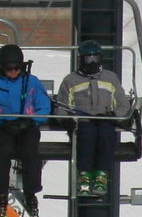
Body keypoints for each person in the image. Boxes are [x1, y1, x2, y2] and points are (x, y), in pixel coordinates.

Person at [0, 44, 49, 217]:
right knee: (3, 152)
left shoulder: (31, 81)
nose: (13, 71)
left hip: (27, 126)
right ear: (2, 66)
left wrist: (32, 121)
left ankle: (31, 192)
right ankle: (1, 193)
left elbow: (44, 106)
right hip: (3, 127)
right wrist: (1, 122)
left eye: (17, 67)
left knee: (29, 152)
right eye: (9, 68)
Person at [57, 40, 133, 198]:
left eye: (95, 59)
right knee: (87, 134)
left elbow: (123, 105)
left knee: (106, 133)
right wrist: (67, 120)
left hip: (104, 120)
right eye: (88, 60)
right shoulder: (70, 80)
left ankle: (101, 174)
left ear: (100, 59)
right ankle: (84, 175)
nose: (92, 63)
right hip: (82, 122)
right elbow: (61, 107)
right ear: (80, 60)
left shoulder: (110, 78)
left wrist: (112, 116)